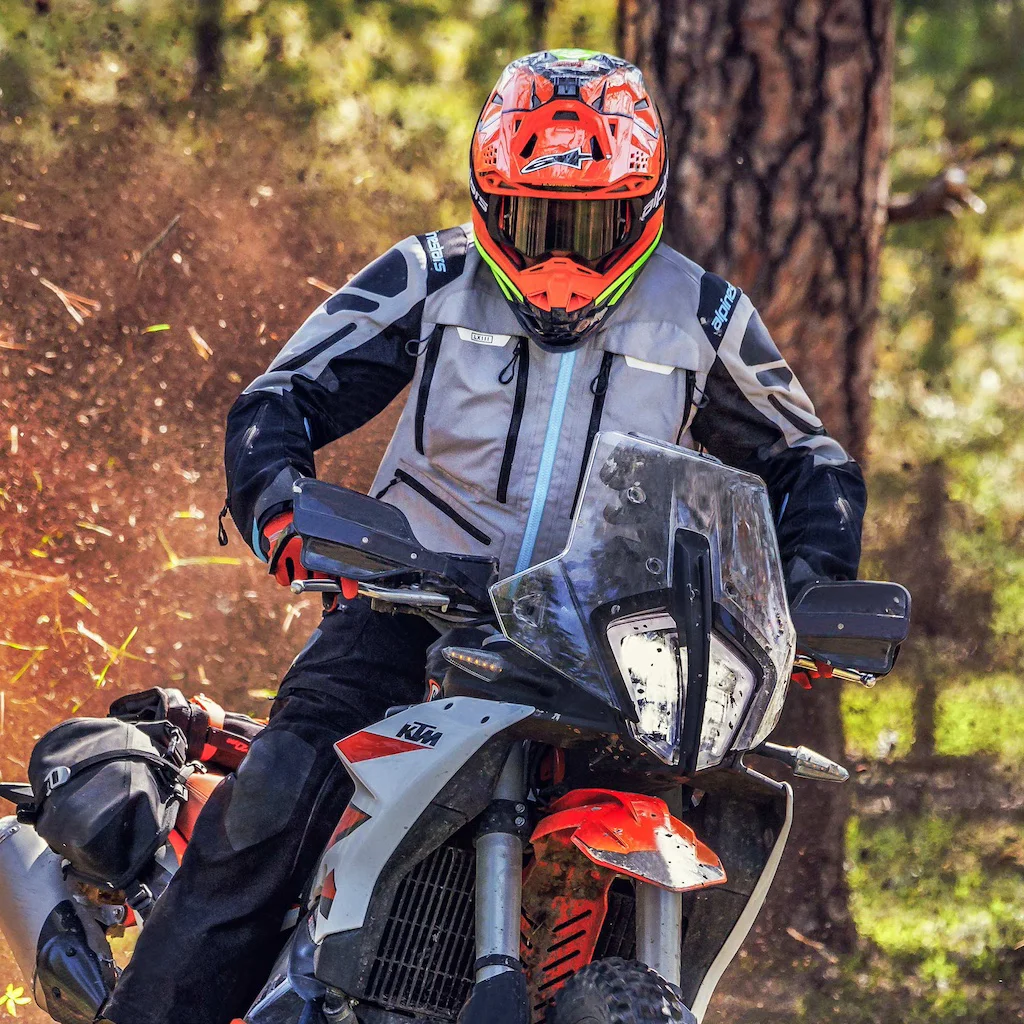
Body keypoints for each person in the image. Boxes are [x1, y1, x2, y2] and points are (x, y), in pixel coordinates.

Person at [103, 49, 865, 1024]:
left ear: (637, 207)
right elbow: (279, 399)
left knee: (706, 781)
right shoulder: (426, 277)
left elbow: (811, 464)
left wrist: (799, 597)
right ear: (484, 199)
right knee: (280, 789)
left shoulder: (703, 315)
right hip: (406, 601)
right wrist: (284, 510)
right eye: (528, 216)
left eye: (583, 222)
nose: (553, 251)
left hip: (607, 635)